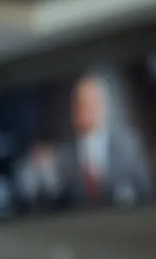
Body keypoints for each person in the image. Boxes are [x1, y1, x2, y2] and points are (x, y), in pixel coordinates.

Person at [60, 71, 152, 206]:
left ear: (103, 106)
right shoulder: (64, 153)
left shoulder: (128, 144)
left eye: (93, 103)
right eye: (83, 104)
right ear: (74, 110)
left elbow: (146, 190)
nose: (88, 109)